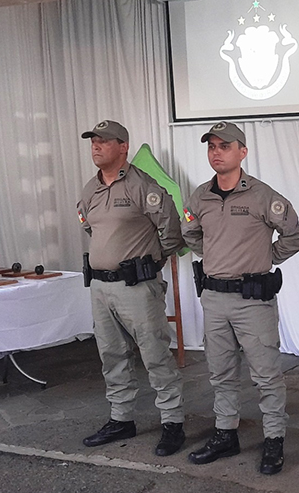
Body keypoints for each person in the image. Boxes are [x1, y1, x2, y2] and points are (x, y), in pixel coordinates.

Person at [181, 122, 299, 475]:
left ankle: (274, 440)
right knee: (220, 372)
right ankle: (225, 433)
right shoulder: (199, 196)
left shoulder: (263, 196)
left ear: (242, 152)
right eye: (211, 146)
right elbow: (190, 233)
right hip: (215, 298)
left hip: (253, 300)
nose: (216, 152)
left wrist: (263, 258)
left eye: (224, 146)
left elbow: (293, 237)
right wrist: (219, 257)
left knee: (266, 375)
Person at [76, 120, 186, 457]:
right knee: (111, 356)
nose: (96, 146)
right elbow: (89, 226)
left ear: (123, 147)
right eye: (93, 141)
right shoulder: (90, 189)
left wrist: (149, 262)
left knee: (154, 354)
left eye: (104, 141)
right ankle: (121, 418)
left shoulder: (143, 186)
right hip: (100, 286)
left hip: (137, 287)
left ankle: (172, 422)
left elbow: (171, 230)